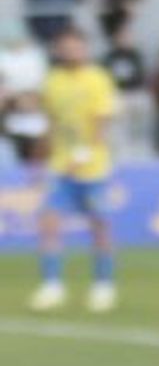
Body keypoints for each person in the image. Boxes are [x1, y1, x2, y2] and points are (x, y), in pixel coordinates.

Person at [29, 28, 119, 314]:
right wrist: (39, 158)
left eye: (76, 46)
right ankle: (52, 285)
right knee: (49, 223)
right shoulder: (52, 81)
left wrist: (85, 153)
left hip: (93, 168)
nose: (71, 51)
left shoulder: (98, 79)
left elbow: (101, 123)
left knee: (99, 226)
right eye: (65, 47)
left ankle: (103, 286)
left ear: (85, 49)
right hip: (60, 166)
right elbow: (50, 123)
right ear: (58, 50)